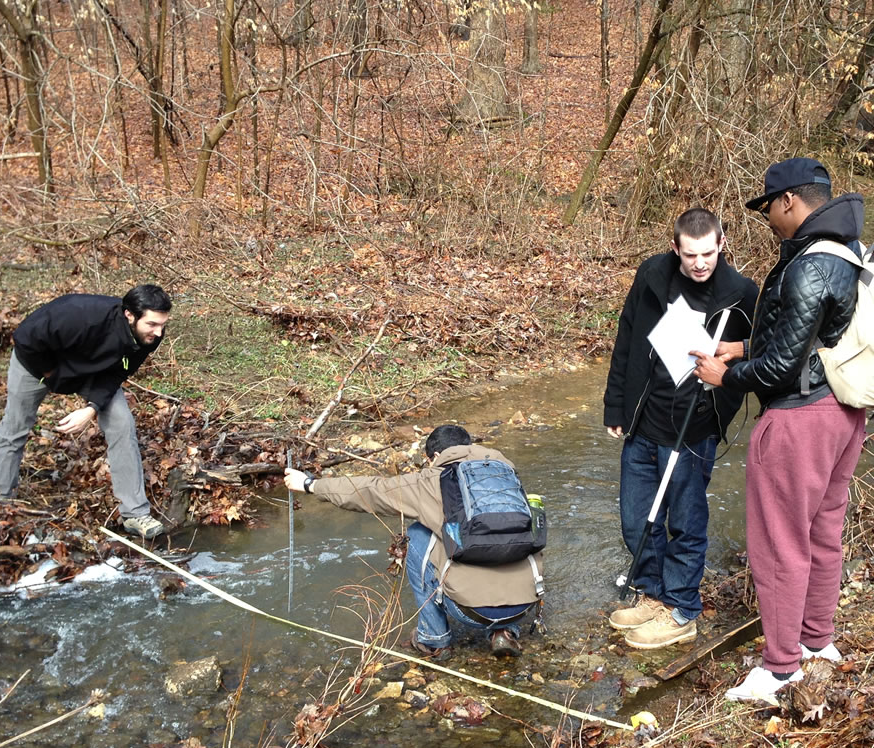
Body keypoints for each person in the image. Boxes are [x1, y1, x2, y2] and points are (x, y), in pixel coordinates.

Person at [692, 158, 866, 704]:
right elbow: (814, 334)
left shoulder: (809, 264)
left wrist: (725, 375)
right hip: (842, 411)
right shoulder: (846, 249)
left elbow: (780, 370)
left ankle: (781, 670)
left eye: (769, 206)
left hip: (799, 418)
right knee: (822, 532)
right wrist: (743, 346)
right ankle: (817, 641)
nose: (767, 217)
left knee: (778, 544)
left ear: (789, 200)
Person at [603, 208, 758, 650]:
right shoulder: (653, 275)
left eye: (708, 253)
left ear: (721, 244)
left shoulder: (741, 294)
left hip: (694, 428)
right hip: (644, 420)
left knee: (685, 524)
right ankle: (652, 595)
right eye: (690, 255)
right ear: (675, 248)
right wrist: (616, 404)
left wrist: (722, 389)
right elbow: (627, 338)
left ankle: (682, 609)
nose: (700, 263)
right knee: (637, 520)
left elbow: (762, 354)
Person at [284, 425, 544, 661]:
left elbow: (369, 490)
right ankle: (504, 632)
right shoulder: (506, 474)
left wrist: (309, 485)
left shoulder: (431, 479)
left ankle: (434, 639)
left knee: (419, 533)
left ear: (434, 456)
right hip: (522, 607)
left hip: (470, 612)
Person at [0, 285, 172, 539]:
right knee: (15, 428)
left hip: (92, 373)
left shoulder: (150, 336)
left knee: (122, 424)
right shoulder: (79, 315)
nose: (159, 332)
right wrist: (52, 375)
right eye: (152, 324)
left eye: (162, 324)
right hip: (37, 365)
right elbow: (25, 337)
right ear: (130, 314)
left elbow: (118, 373)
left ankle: (135, 514)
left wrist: (91, 408)